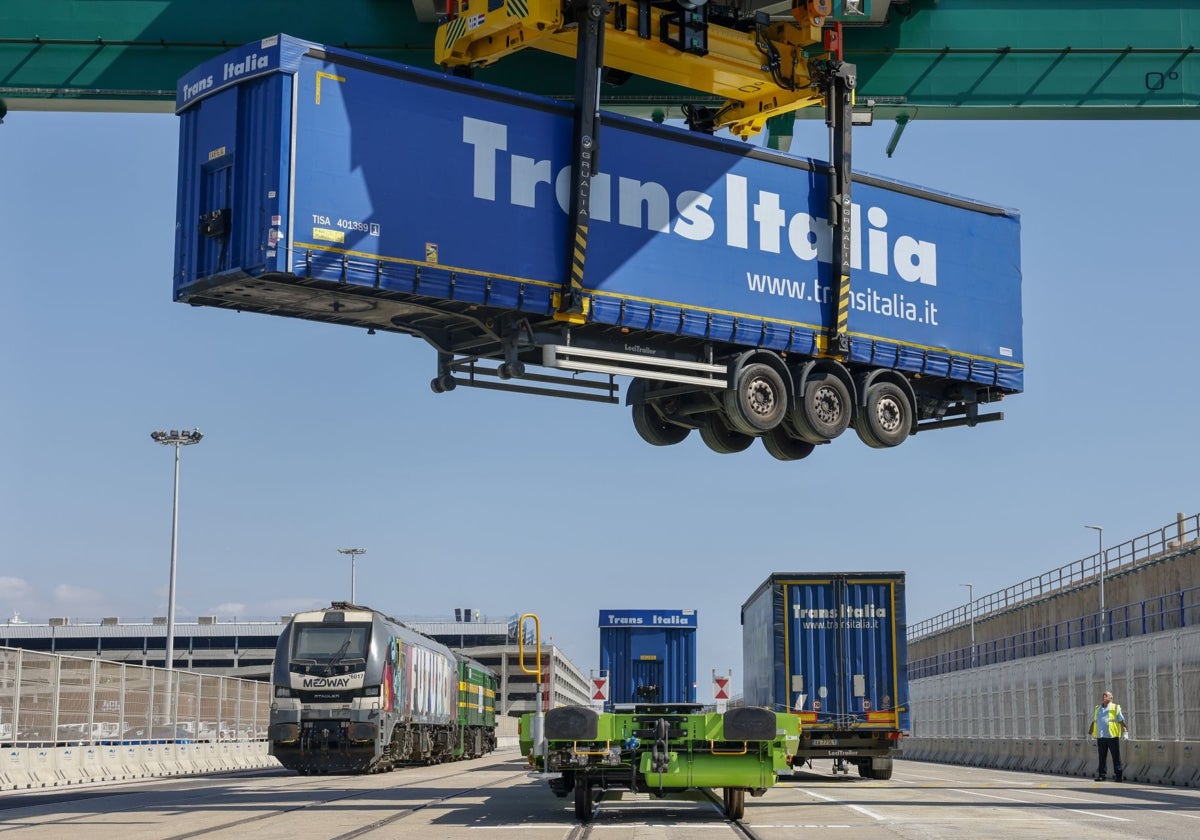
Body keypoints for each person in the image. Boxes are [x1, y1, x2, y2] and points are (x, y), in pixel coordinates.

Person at [1088, 689, 1128, 781]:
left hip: (1112, 736)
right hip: (1101, 737)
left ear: (1111, 698)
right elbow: (1094, 722)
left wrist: (1125, 732)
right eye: (1103, 695)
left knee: (1116, 756)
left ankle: (1118, 776)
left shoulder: (1115, 707)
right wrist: (1089, 734)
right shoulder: (1098, 708)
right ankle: (1102, 775)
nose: (1104, 697)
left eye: (1106, 695)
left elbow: (1122, 721)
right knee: (1102, 757)